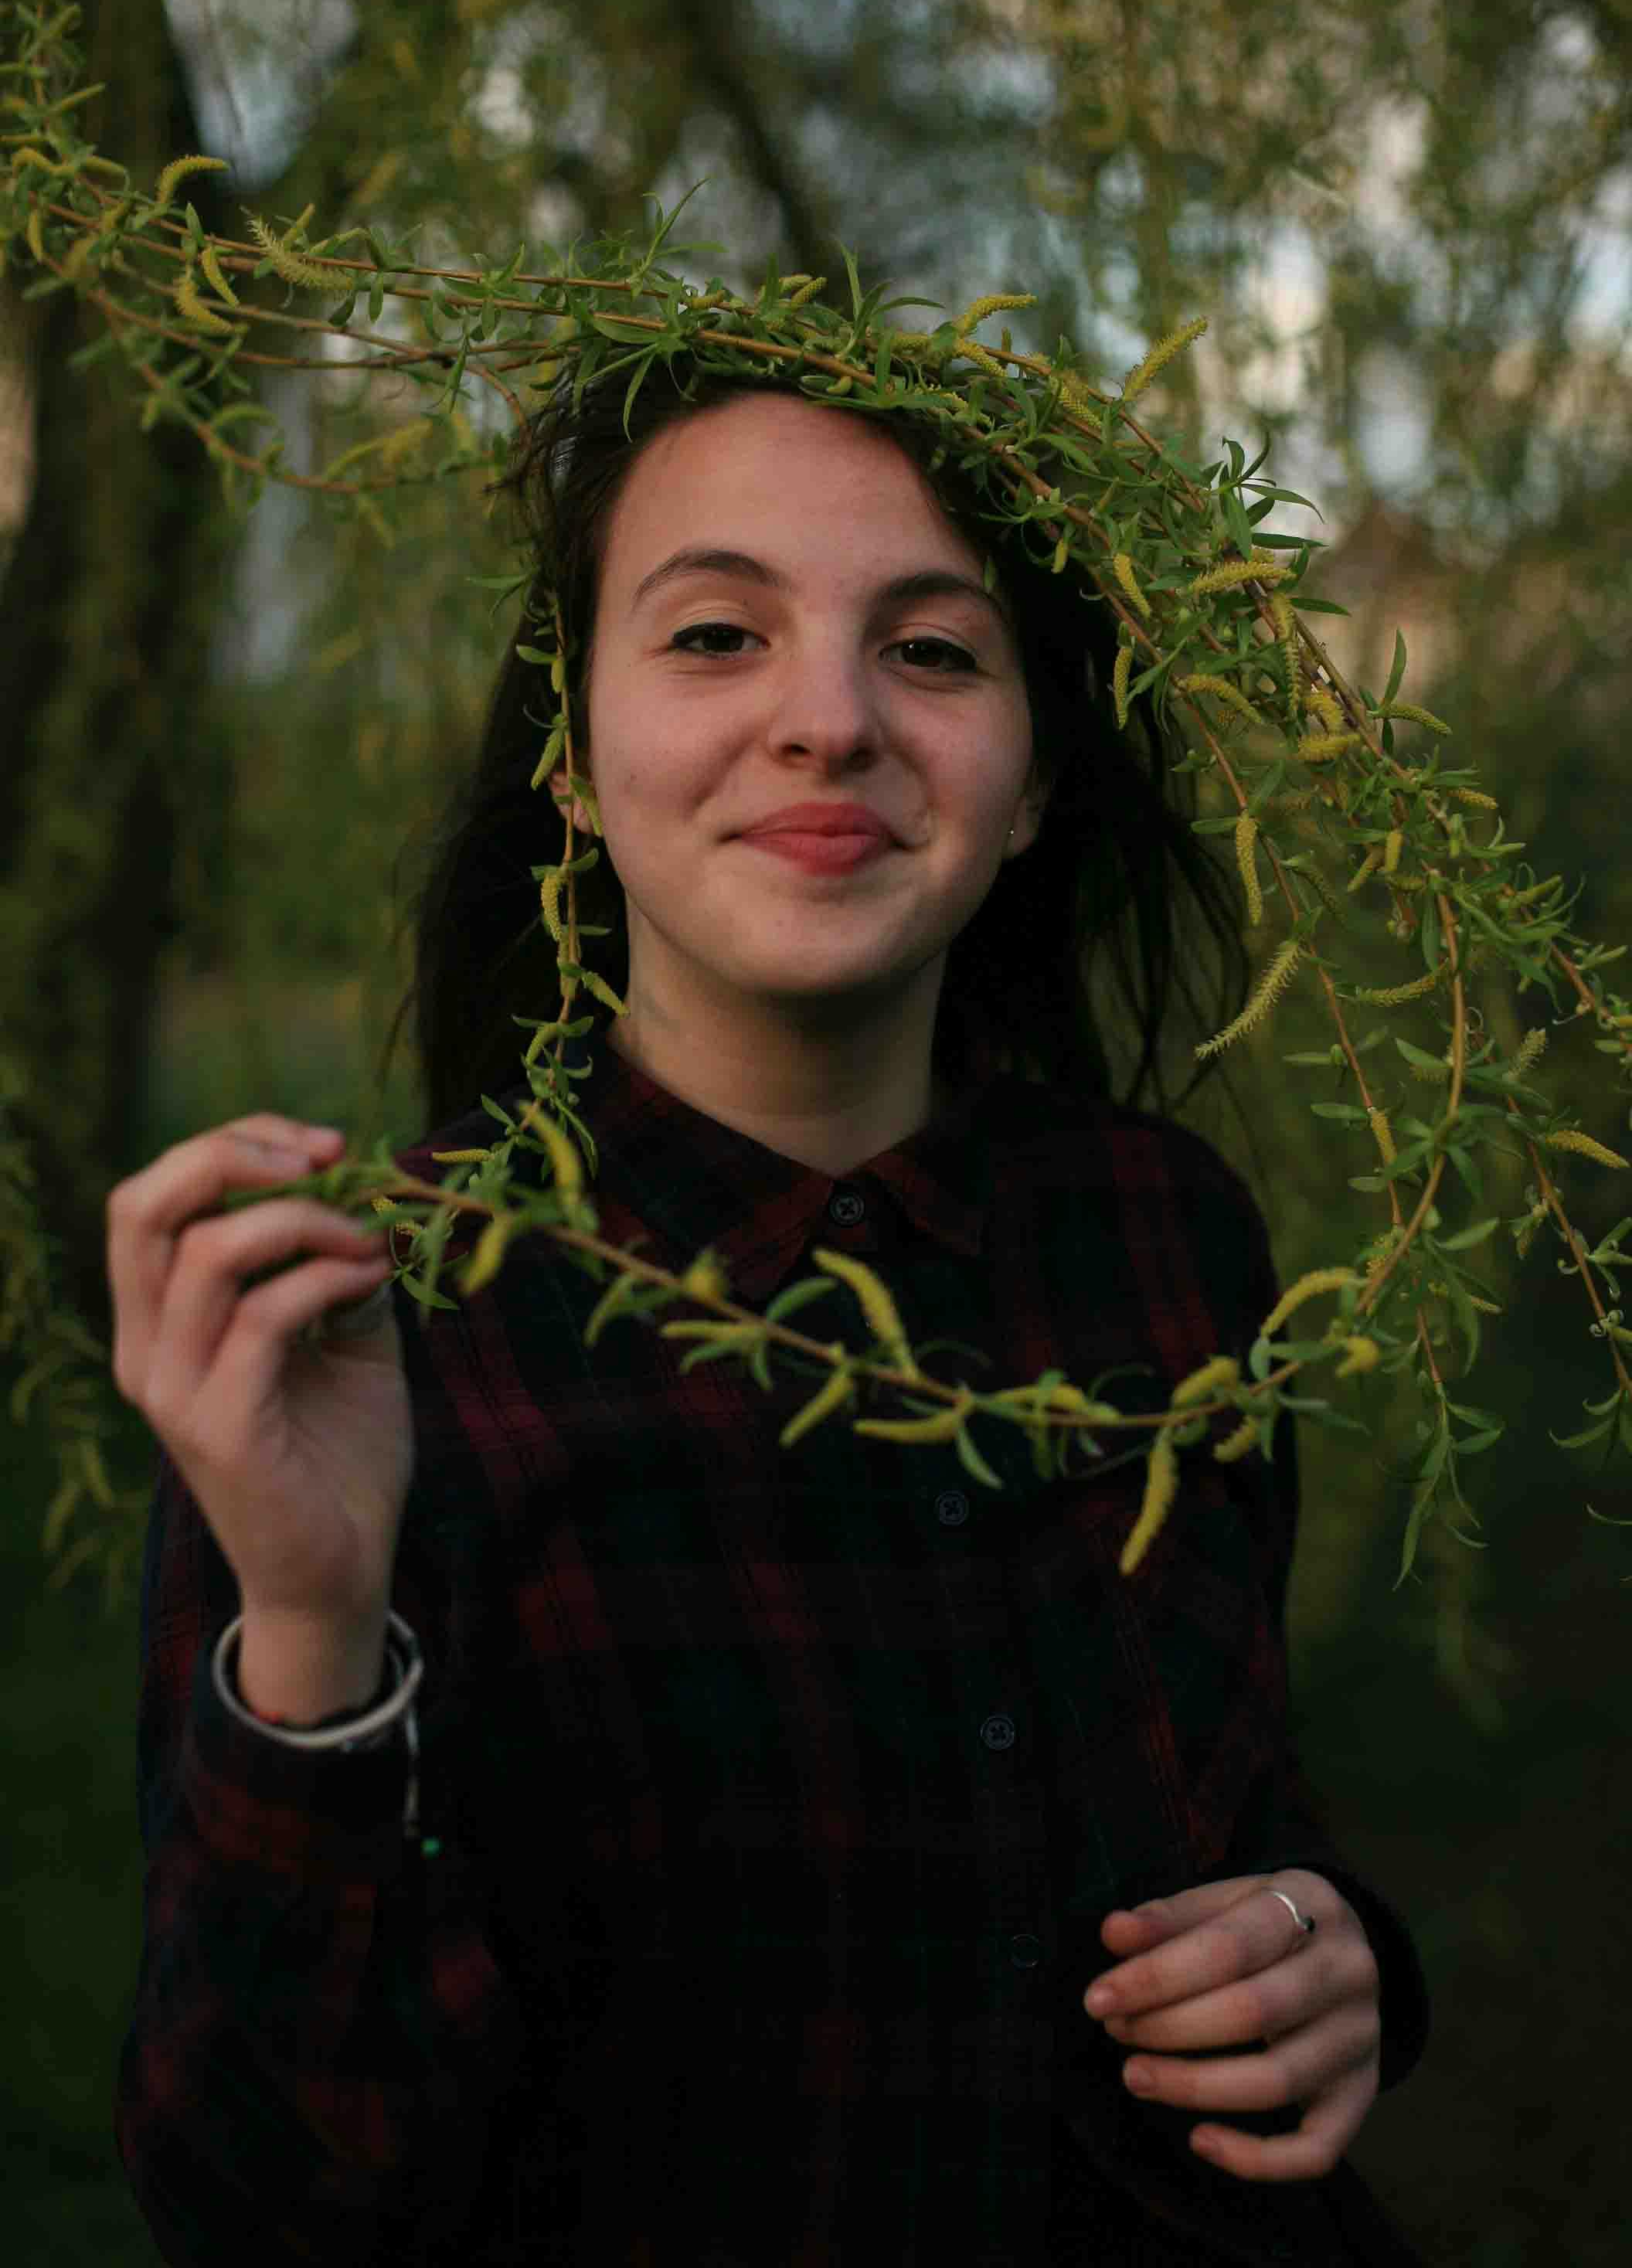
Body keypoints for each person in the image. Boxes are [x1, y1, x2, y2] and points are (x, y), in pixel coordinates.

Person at [110, 366, 1430, 2266]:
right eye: (719, 634)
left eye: (937, 652)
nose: (830, 721)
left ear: (1039, 771)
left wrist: (1337, 1957)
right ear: (572, 751)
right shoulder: (360, 1337)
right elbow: (267, 2203)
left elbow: (1240, 1812)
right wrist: (314, 1634)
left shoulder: (1166, 1237)